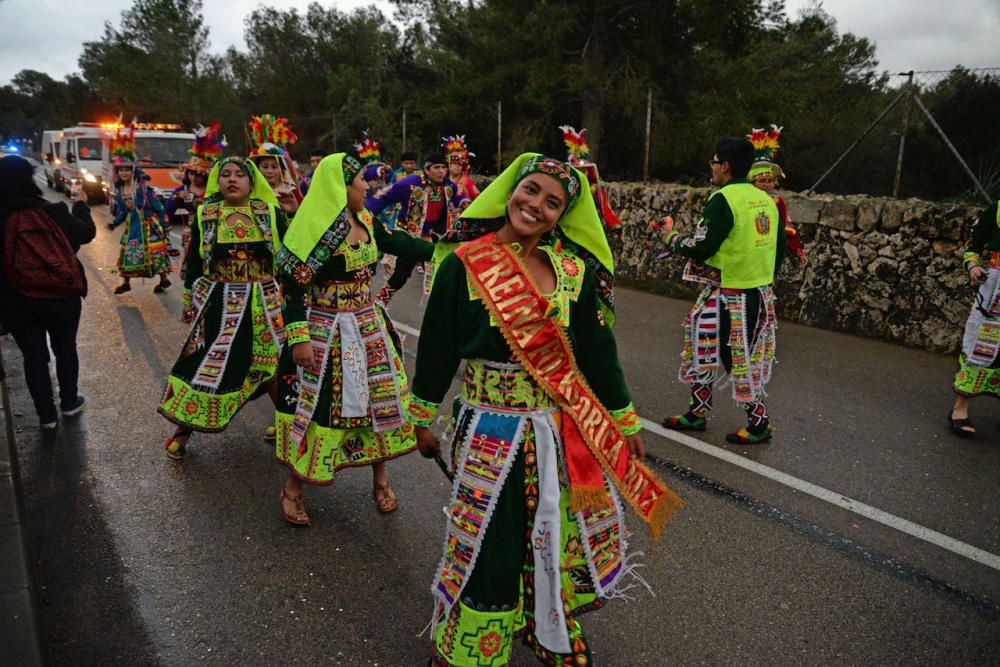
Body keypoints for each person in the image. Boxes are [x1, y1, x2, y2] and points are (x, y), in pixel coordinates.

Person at [411, 153, 683, 666]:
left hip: (557, 429)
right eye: (530, 191)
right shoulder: (464, 264)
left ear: (563, 215)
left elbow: (599, 355)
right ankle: (472, 644)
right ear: (511, 191)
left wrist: (623, 423)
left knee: (554, 532)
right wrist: (421, 415)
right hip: (489, 426)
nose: (535, 206)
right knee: (490, 536)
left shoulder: (572, 273)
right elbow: (437, 346)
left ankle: (548, 627)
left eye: (552, 202)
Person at [271, 152, 435, 525]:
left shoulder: (365, 219)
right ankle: (293, 487)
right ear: (339, 187)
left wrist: (445, 250)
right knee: (322, 407)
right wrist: (299, 339)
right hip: (325, 333)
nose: (367, 186)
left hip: (367, 327)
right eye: (360, 179)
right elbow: (293, 290)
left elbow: (402, 244)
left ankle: (380, 481)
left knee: (381, 400)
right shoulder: (316, 228)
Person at [157, 157, 292, 460]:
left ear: (251, 182)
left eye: (240, 175)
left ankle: (288, 427)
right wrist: (189, 301)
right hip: (221, 305)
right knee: (207, 365)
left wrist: (293, 216)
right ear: (217, 182)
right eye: (225, 174)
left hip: (264, 305)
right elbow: (194, 262)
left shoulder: (269, 213)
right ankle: (183, 430)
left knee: (272, 365)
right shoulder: (207, 214)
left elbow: (290, 255)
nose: (232, 180)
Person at [660, 137, 785, 444]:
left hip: (737, 293)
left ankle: (760, 423)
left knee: (735, 356)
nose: (712, 168)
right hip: (744, 289)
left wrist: (671, 238)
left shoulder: (723, 199)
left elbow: (703, 247)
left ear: (725, 166)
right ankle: (698, 411)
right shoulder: (764, 199)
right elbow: (778, 247)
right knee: (702, 342)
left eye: (714, 162)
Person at [0, 155, 95, 429]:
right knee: (65, 349)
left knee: (35, 358)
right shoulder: (53, 211)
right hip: (63, 297)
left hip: (18, 300)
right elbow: (85, 234)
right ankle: (69, 402)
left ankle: (46, 416)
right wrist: (81, 206)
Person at [367, 152, 468, 305]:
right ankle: (381, 301)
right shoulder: (411, 183)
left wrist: (464, 203)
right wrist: (366, 213)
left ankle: (444, 307)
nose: (441, 171)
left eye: (443, 167)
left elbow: (459, 196)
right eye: (436, 167)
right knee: (402, 273)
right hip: (410, 235)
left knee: (442, 269)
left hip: (432, 235)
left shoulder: (448, 185)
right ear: (427, 170)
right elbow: (386, 195)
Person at [949, 199, 1000, 436]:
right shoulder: (997, 209)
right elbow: (974, 244)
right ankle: (960, 409)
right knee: (982, 346)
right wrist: (972, 267)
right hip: (996, 292)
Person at [107, 125, 172, 294]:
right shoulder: (121, 191)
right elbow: (124, 211)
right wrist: (114, 223)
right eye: (121, 170)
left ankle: (164, 280)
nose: (124, 173)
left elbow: (158, 207)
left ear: (133, 171)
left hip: (149, 226)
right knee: (129, 252)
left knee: (155, 253)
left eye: (127, 169)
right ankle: (126, 282)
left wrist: (165, 224)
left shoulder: (143, 189)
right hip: (133, 228)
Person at [166, 122, 224, 271]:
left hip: (213, 231)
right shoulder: (183, 189)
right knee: (192, 267)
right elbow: (168, 210)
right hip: (191, 234)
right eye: (192, 173)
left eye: (199, 174)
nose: (195, 177)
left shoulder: (215, 190)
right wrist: (176, 199)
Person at [747, 125, 807, 267]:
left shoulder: (777, 202)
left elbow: (785, 226)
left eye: (770, 181)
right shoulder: (744, 200)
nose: (767, 184)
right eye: (762, 181)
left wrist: (797, 249)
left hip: (768, 254)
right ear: (752, 181)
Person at [248, 114, 302, 214]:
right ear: (257, 168)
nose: (269, 171)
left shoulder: (290, 193)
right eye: (265, 166)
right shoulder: (249, 191)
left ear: (281, 169)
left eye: (274, 167)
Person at [443, 134, 480, 206]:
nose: (457, 167)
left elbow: (478, 197)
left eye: (460, 165)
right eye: (454, 164)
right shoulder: (443, 180)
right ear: (448, 165)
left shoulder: (467, 180)